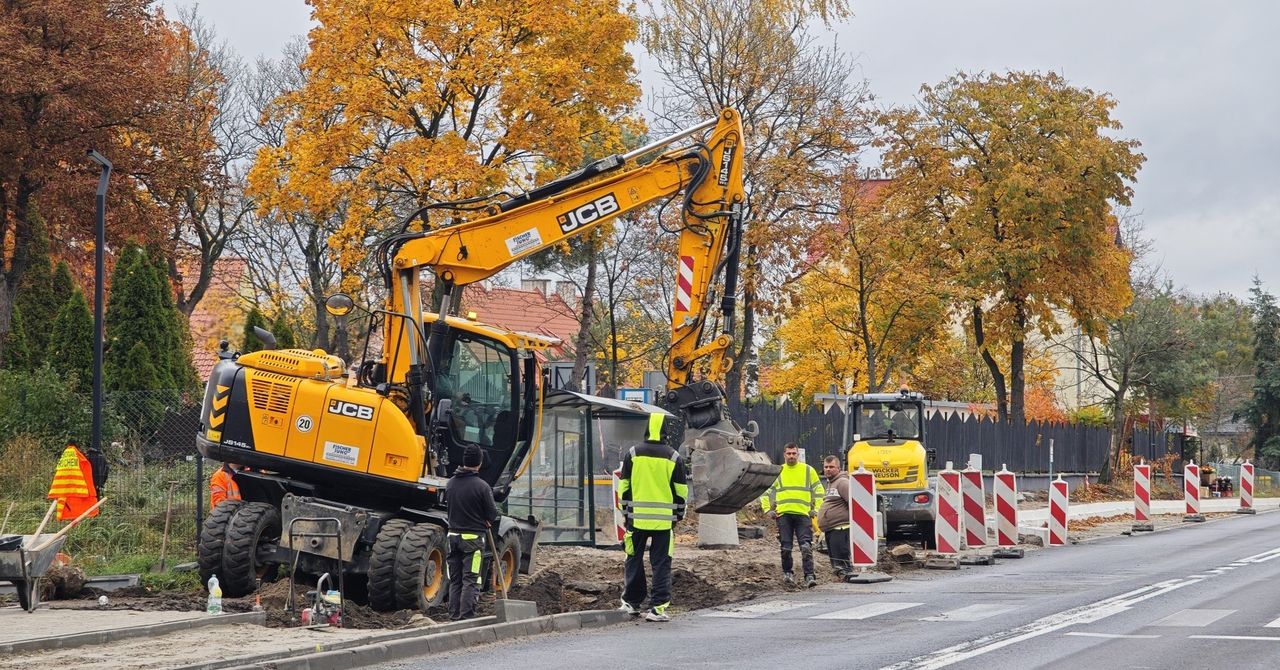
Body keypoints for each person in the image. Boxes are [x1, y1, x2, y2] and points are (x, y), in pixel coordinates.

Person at [618, 412, 687, 623]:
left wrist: (625, 512)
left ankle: (631, 603)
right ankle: (657, 608)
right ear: (665, 431)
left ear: (647, 429)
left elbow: (624, 486)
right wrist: (678, 515)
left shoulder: (633, 454)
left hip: (636, 519)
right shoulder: (673, 457)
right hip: (664, 522)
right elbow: (681, 491)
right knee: (661, 564)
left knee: (633, 559)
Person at [445, 444, 499, 621]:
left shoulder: (450, 484)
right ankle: (466, 617)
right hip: (473, 540)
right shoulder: (482, 487)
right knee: (471, 579)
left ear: (464, 461)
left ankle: (454, 616)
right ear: (480, 463)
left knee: (455, 580)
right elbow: (492, 514)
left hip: (452, 538)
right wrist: (485, 519)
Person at [760, 443, 823, 588]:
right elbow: (765, 491)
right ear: (784, 455)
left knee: (806, 547)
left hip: (803, 515)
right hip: (784, 516)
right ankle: (788, 573)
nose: (791, 456)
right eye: (789, 453)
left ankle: (809, 575)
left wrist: (817, 509)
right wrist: (767, 510)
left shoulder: (808, 470)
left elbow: (819, 490)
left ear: (798, 455)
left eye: (794, 453)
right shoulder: (779, 471)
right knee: (786, 548)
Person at [817, 455, 852, 581]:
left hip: (841, 528)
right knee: (836, 561)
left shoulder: (842, 482)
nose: (828, 469)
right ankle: (842, 579)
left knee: (842, 560)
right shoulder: (831, 483)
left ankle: (847, 579)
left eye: (831, 467)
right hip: (831, 529)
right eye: (826, 467)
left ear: (839, 468)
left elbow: (853, 503)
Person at [47, 439, 100, 521]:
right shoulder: (79, 457)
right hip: (78, 490)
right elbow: (86, 472)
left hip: (62, 490)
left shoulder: (66, 456)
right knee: (79, 510)